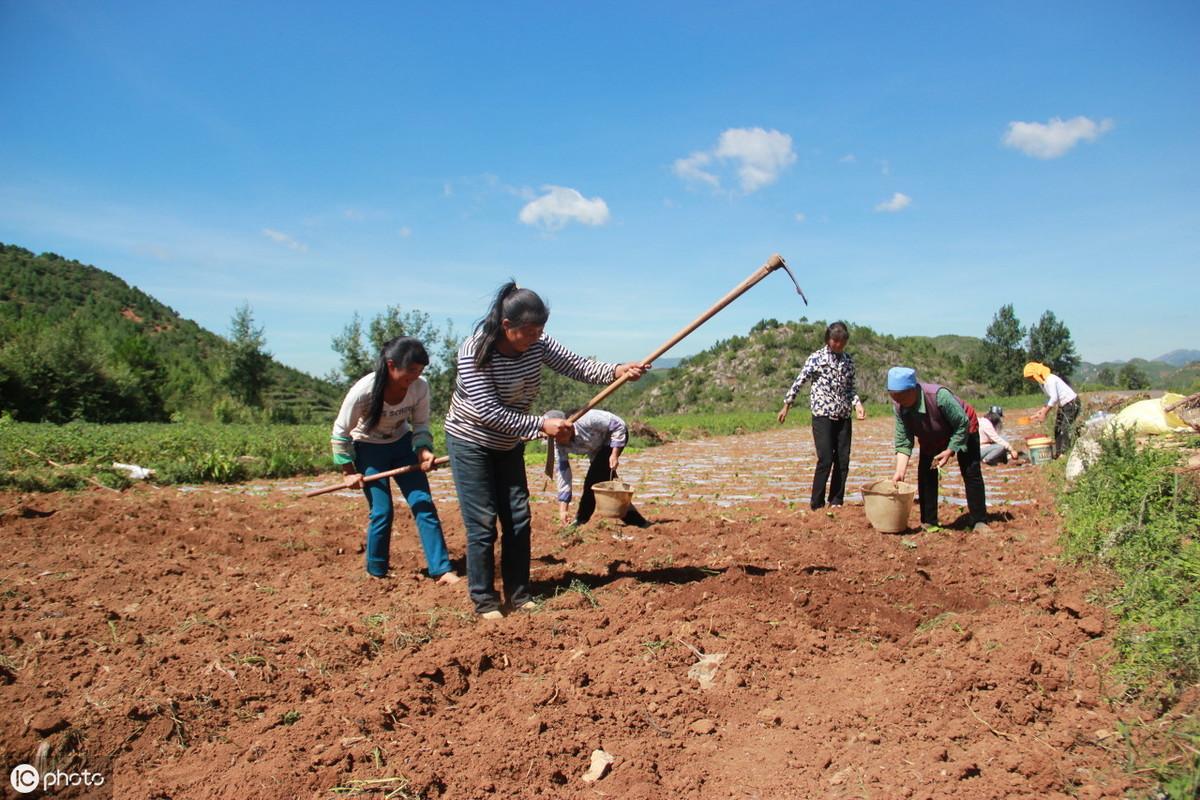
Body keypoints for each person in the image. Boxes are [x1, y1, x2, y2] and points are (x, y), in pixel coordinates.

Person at [444, 282, 647, 619]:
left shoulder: (538, 342)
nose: (536, 337)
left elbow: (578, 366)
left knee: (518, 517)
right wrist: (541, 424)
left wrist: (617, 370)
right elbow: (487, 412)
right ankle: (485, 602)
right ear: (506, 326)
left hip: (509, 442)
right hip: (471, 441)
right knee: (482, 522)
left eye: (541, 330)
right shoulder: (475, 350)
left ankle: (520, 596)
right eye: (528, 331)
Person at [332, 336, 460, 584]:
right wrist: (348, 471)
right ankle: (376, 571)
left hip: (402, 445)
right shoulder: (364, 392)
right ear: (391, 365)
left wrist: (423, 452)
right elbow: (340, 433)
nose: (415, 376)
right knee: (382, 510)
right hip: (369, 448)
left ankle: (441, 569)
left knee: (423, 503)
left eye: (420, 371)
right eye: (411, 370)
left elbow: (421, 424)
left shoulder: (420, 387)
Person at [887, 366, 990, 533]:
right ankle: (929, 521)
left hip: (963, 428)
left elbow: (962, 423)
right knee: (926, 472)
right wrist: (900, 471)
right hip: (932, 434)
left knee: (971, 472)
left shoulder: (938, 396)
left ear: (913, 389)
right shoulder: (899, 407)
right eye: (893, 396)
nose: (897, 400)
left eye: (900, 396)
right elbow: (904, 440)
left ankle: (979, 520)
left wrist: (950, 450)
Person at [777, 321, 866, 509]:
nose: (838, 345)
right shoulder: (816, 358)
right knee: (825, 458)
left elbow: (850, 389)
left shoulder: (848, 361)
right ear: (828, 339)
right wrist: (787, 404)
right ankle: (816, 503)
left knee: (843, 459)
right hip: (822, 415)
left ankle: (836, 500)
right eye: (834, 341)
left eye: (841, 341)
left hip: (843, 415)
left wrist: (857, 404)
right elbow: (799, 381)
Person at [544, 408, 650, 528]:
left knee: (593, 480)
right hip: (597, 449)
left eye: (556, 436)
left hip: (613, 438)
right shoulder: (558, 446)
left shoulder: (588, 418)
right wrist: (563, 510)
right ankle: (638, 521)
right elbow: (564, 475)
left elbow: (618, 425)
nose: (556, 440)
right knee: (607, 482)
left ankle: (581, 520)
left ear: (566, 428)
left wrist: (614, 454)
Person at [1023, 362, 1080, 458]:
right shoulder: (1043, 383)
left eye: (1031, 377)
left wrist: (1044, 413)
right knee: (1057, 428)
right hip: (1063, 405)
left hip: (1071, 403)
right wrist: (1041, 411)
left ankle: (1065, 453)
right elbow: (1049, 398)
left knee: (1064, 428)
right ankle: (1058, 453)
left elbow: (1054, 398)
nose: (1031, 380)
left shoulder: (1050, 379)